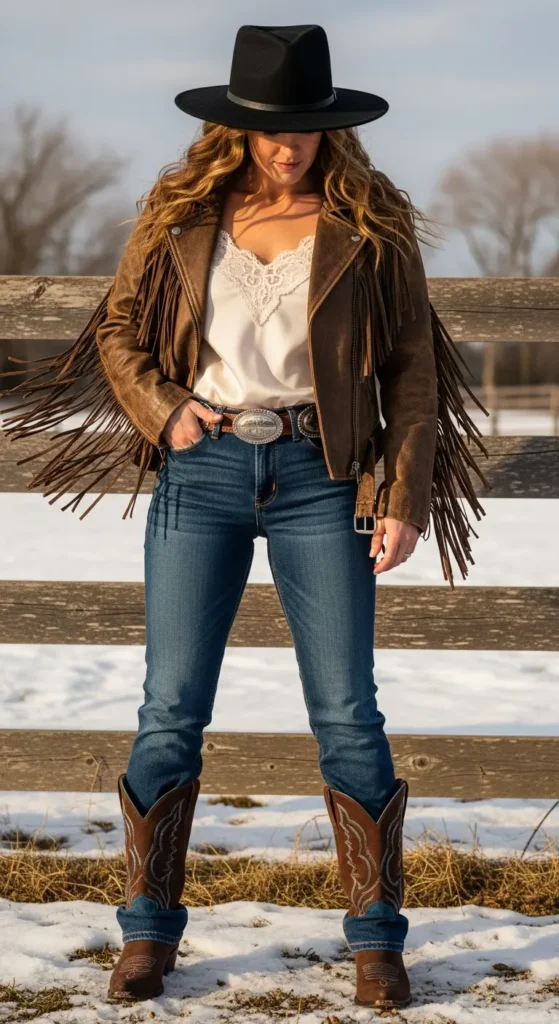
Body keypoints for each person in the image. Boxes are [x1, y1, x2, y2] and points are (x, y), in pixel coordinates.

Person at [0, 23, 489, 1010]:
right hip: (203, 472)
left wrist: (400, 498)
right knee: (170, 706)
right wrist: (161, 407)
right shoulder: (181, 216)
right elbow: (120, 330)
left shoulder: (369, 226)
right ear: (234, 127)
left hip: (322, 474)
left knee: (346, 707)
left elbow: (409, 373)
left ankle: (375, 943)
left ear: (329, 130)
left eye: (305, 128)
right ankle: (144, 934)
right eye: (269, 128)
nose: (287, 145)